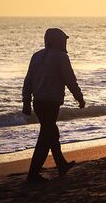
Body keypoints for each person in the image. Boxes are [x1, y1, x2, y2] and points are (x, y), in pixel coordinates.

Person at [22, 28, 85, 183]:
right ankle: (33, 174)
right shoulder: (61, 57)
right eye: (63, 40)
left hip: (38, 103)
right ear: (58, 41)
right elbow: (69, 79)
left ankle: (61, 164)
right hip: (51, 103)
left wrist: (26, 101)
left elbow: (28, 80)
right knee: (46, 137)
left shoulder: (36, 56)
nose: (65, 43)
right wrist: (79, 97)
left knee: (51, 134)